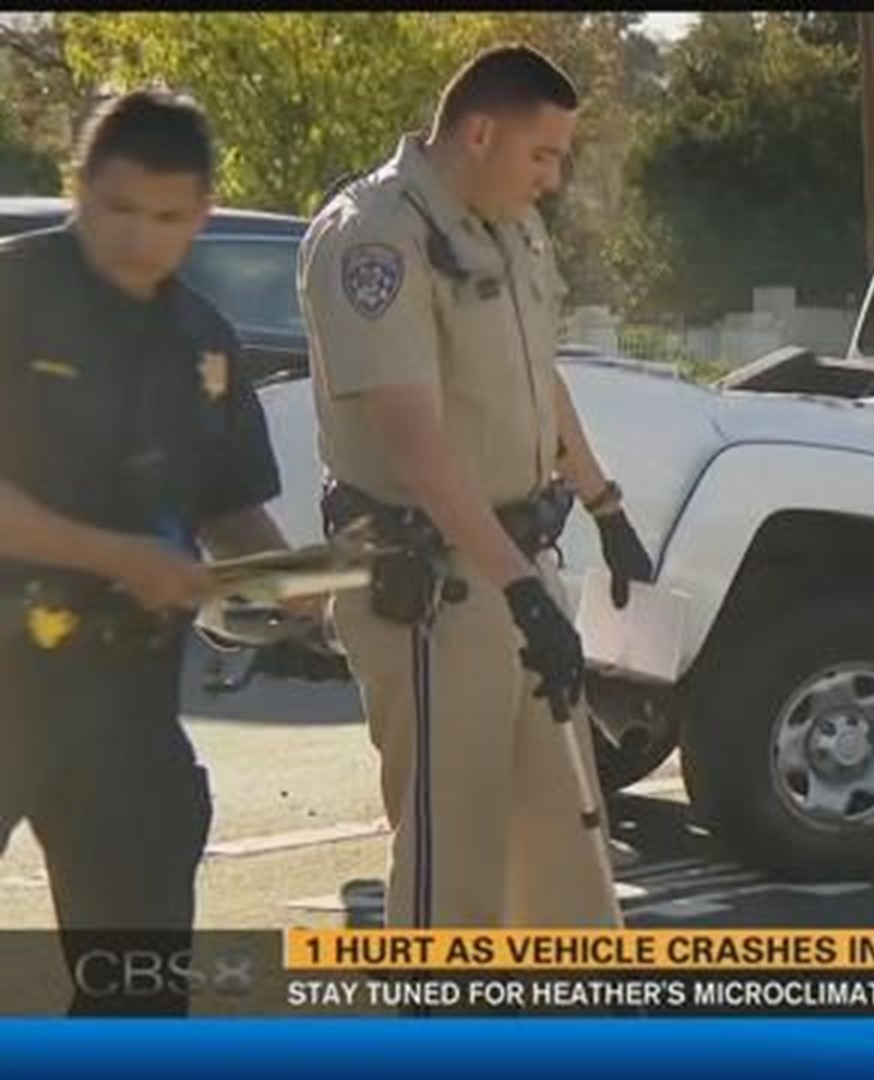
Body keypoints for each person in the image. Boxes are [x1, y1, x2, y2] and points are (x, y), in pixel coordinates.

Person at [298, 44, 656, 931]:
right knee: (453, 850)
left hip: (511, 561)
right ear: (480, 132)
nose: (554, 178)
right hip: (435, 583)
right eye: (543, 156)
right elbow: (415, 442)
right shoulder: (377, 237)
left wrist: (605, 505)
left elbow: (541, 379)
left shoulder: (503, 226)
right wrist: (520, 592)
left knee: (564, 832)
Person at [0, 90, 293, 1015]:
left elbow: (230, 504)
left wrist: (303, 590)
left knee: (140, 984)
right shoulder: (12, 295)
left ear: (202, 212)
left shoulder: (202, 338)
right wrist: (118, 554)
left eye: (168, 218)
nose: (139, 238)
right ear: (78, 186)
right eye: (119, 208)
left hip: (123, 705)